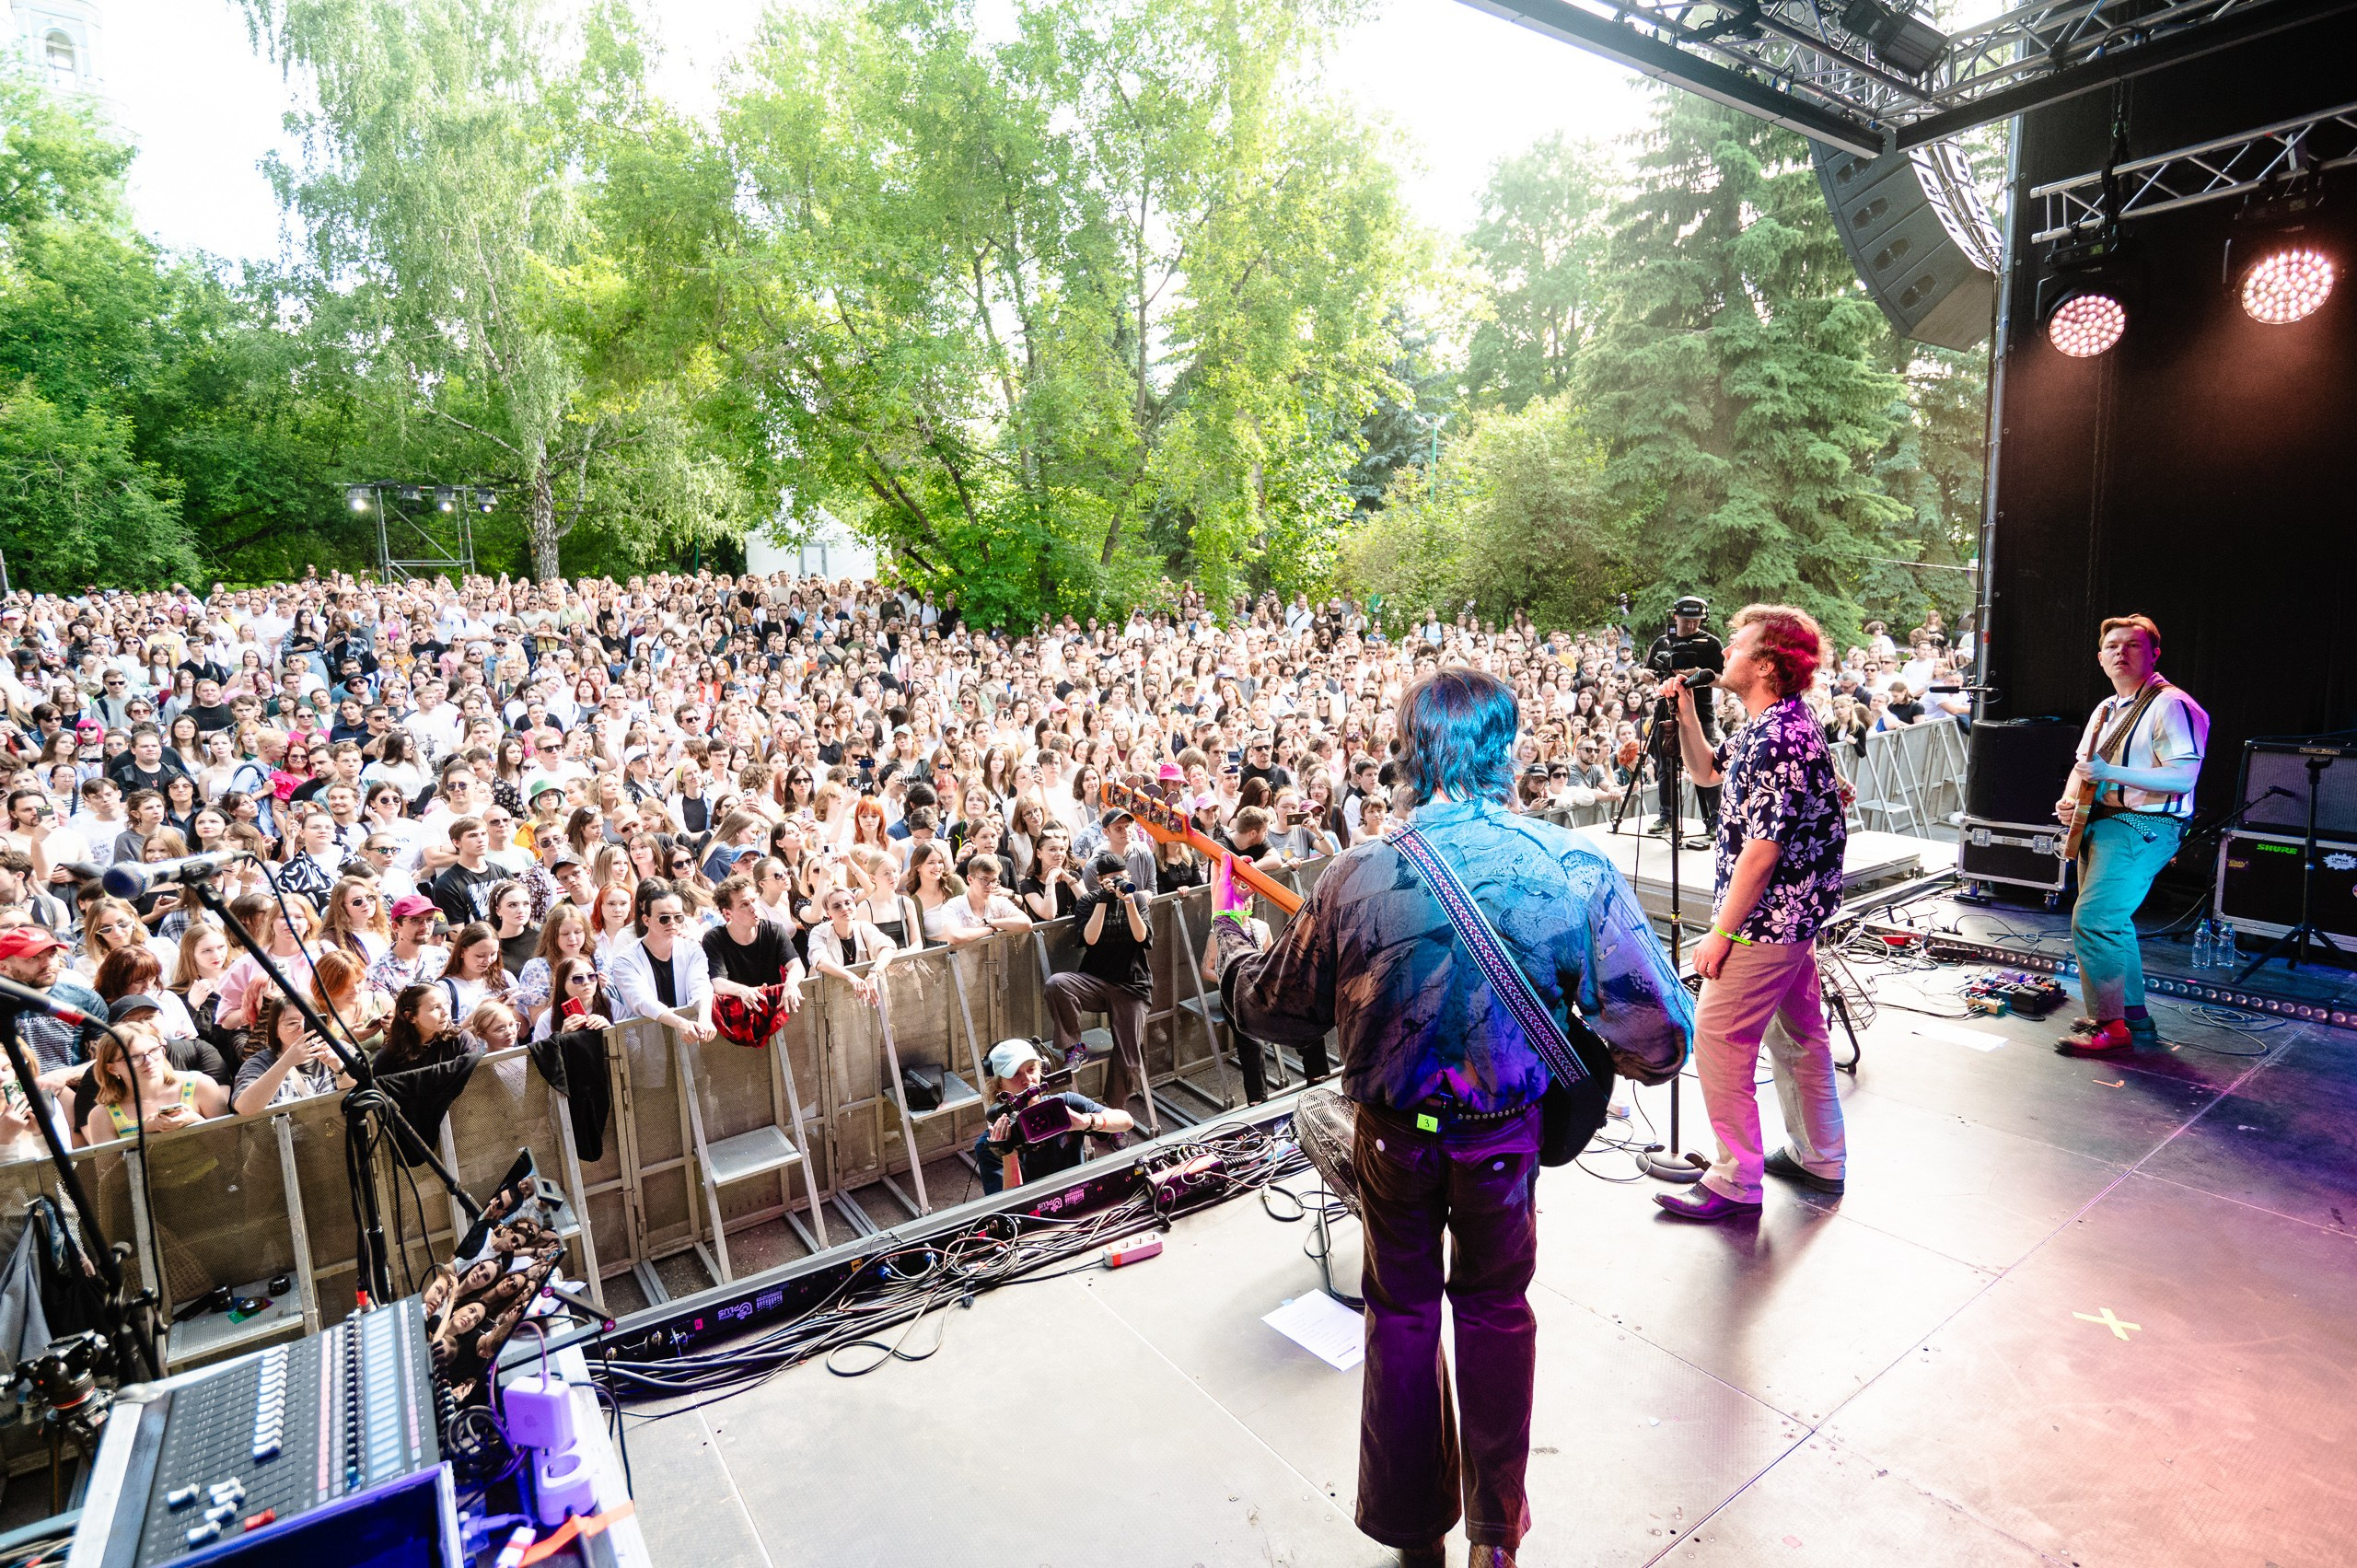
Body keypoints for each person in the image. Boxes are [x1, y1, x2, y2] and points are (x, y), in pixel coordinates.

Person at [1211, 668, 1690, 1568]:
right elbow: (1660, 1039)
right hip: (1504, 1141)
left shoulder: (1355, 872)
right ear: (1504, 747)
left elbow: (1274, 1006)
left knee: (1400, 1313)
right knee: (1495, 1310)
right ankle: (1494, 1538)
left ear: (1409, 748)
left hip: (1393, 1137)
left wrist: (1230, 934)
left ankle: (1413, 1530)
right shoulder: (1566, 861)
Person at [1653, 604, 1850, 1223]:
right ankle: (1821, 1155)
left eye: (1735, 646)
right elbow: (1705, 771)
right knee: (1798, 1036)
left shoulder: (1778, 737)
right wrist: (1685, 714)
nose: (1723, 655)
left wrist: (1720, 932)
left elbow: (1762, 852)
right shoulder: (1776, 722)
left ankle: (1736, 1177)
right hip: (1792, 919)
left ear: (1765, 663)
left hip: (1767, 921)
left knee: (1717, 1035)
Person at [2053, 614, 2208, 1057]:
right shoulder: (2106, 709)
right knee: (2113, 923)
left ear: (2154, 653)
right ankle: (2130, 1016)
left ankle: (2110, 1026)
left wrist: (2109, 773)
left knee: (2095, 920)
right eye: (2112, 646)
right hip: (2104, 821)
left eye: (2133, 645)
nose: (2121, 652)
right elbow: (2084, 767)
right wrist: (2070, 802)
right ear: (2101, 658)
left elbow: (2182, 777)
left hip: (2145, 825)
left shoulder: (2171, 704)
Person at [1045, 851, 1157, 1136]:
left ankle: (1112, 1116)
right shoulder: (1088, 901)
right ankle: (1074, 1047)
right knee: (1057, 983)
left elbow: (1141, 936)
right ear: (1099, 880)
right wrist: (1104, 901)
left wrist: (1129, 900)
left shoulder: (1139, 899)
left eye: (1122, 878)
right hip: (1095, 980)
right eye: (1112, 880)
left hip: (1132, 986)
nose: (1118, 883)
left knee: (1130, 1057)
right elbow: (1090, 939)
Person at [971, 1037, 1132, 1196]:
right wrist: (1009, 1156)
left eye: (1031, 1069)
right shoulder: (992, 1142)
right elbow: (1007, 1208)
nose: (1027, 1080)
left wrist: (1087, 1122)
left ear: (1043, 1071)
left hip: (1078, 1196)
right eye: (1015, 1074)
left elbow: (1126, 1121)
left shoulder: (1066, 1103)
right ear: (999, 1086)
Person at [1644, 596, 1724, 841]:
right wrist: (1648, 676)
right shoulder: (1662, 642)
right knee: (1665, 766)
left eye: (1696, 621)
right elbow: (1649, 671)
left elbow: (1724, 679)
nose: (1690, 626)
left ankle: (1714, 819)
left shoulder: (1711, 643)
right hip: (1665, 710)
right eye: (1686, 620)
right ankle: (1666, 816)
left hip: (1701, 713)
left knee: (1707, 764)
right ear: (1675, 616)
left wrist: (1697, 675)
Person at [80, 1018, 230, 1146]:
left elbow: (231, 1145)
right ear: (112, 1069)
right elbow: (110, 1178)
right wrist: (143, 1134)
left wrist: (195, 1121)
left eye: (154, 1050)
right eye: (135, 1057)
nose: (149, 1061)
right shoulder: (102, 1115)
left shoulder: (199, 1084)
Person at [607, 881, 715, 1042]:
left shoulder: (693, 950)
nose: (672, 923)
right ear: (646, 920)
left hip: (689, 1036)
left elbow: (701, 986)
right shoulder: (626, 959)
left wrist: (705, 1018)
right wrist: (679, 1023)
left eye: (678, 917)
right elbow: (642, 1000)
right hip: (647, 1040)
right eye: (664, 918)